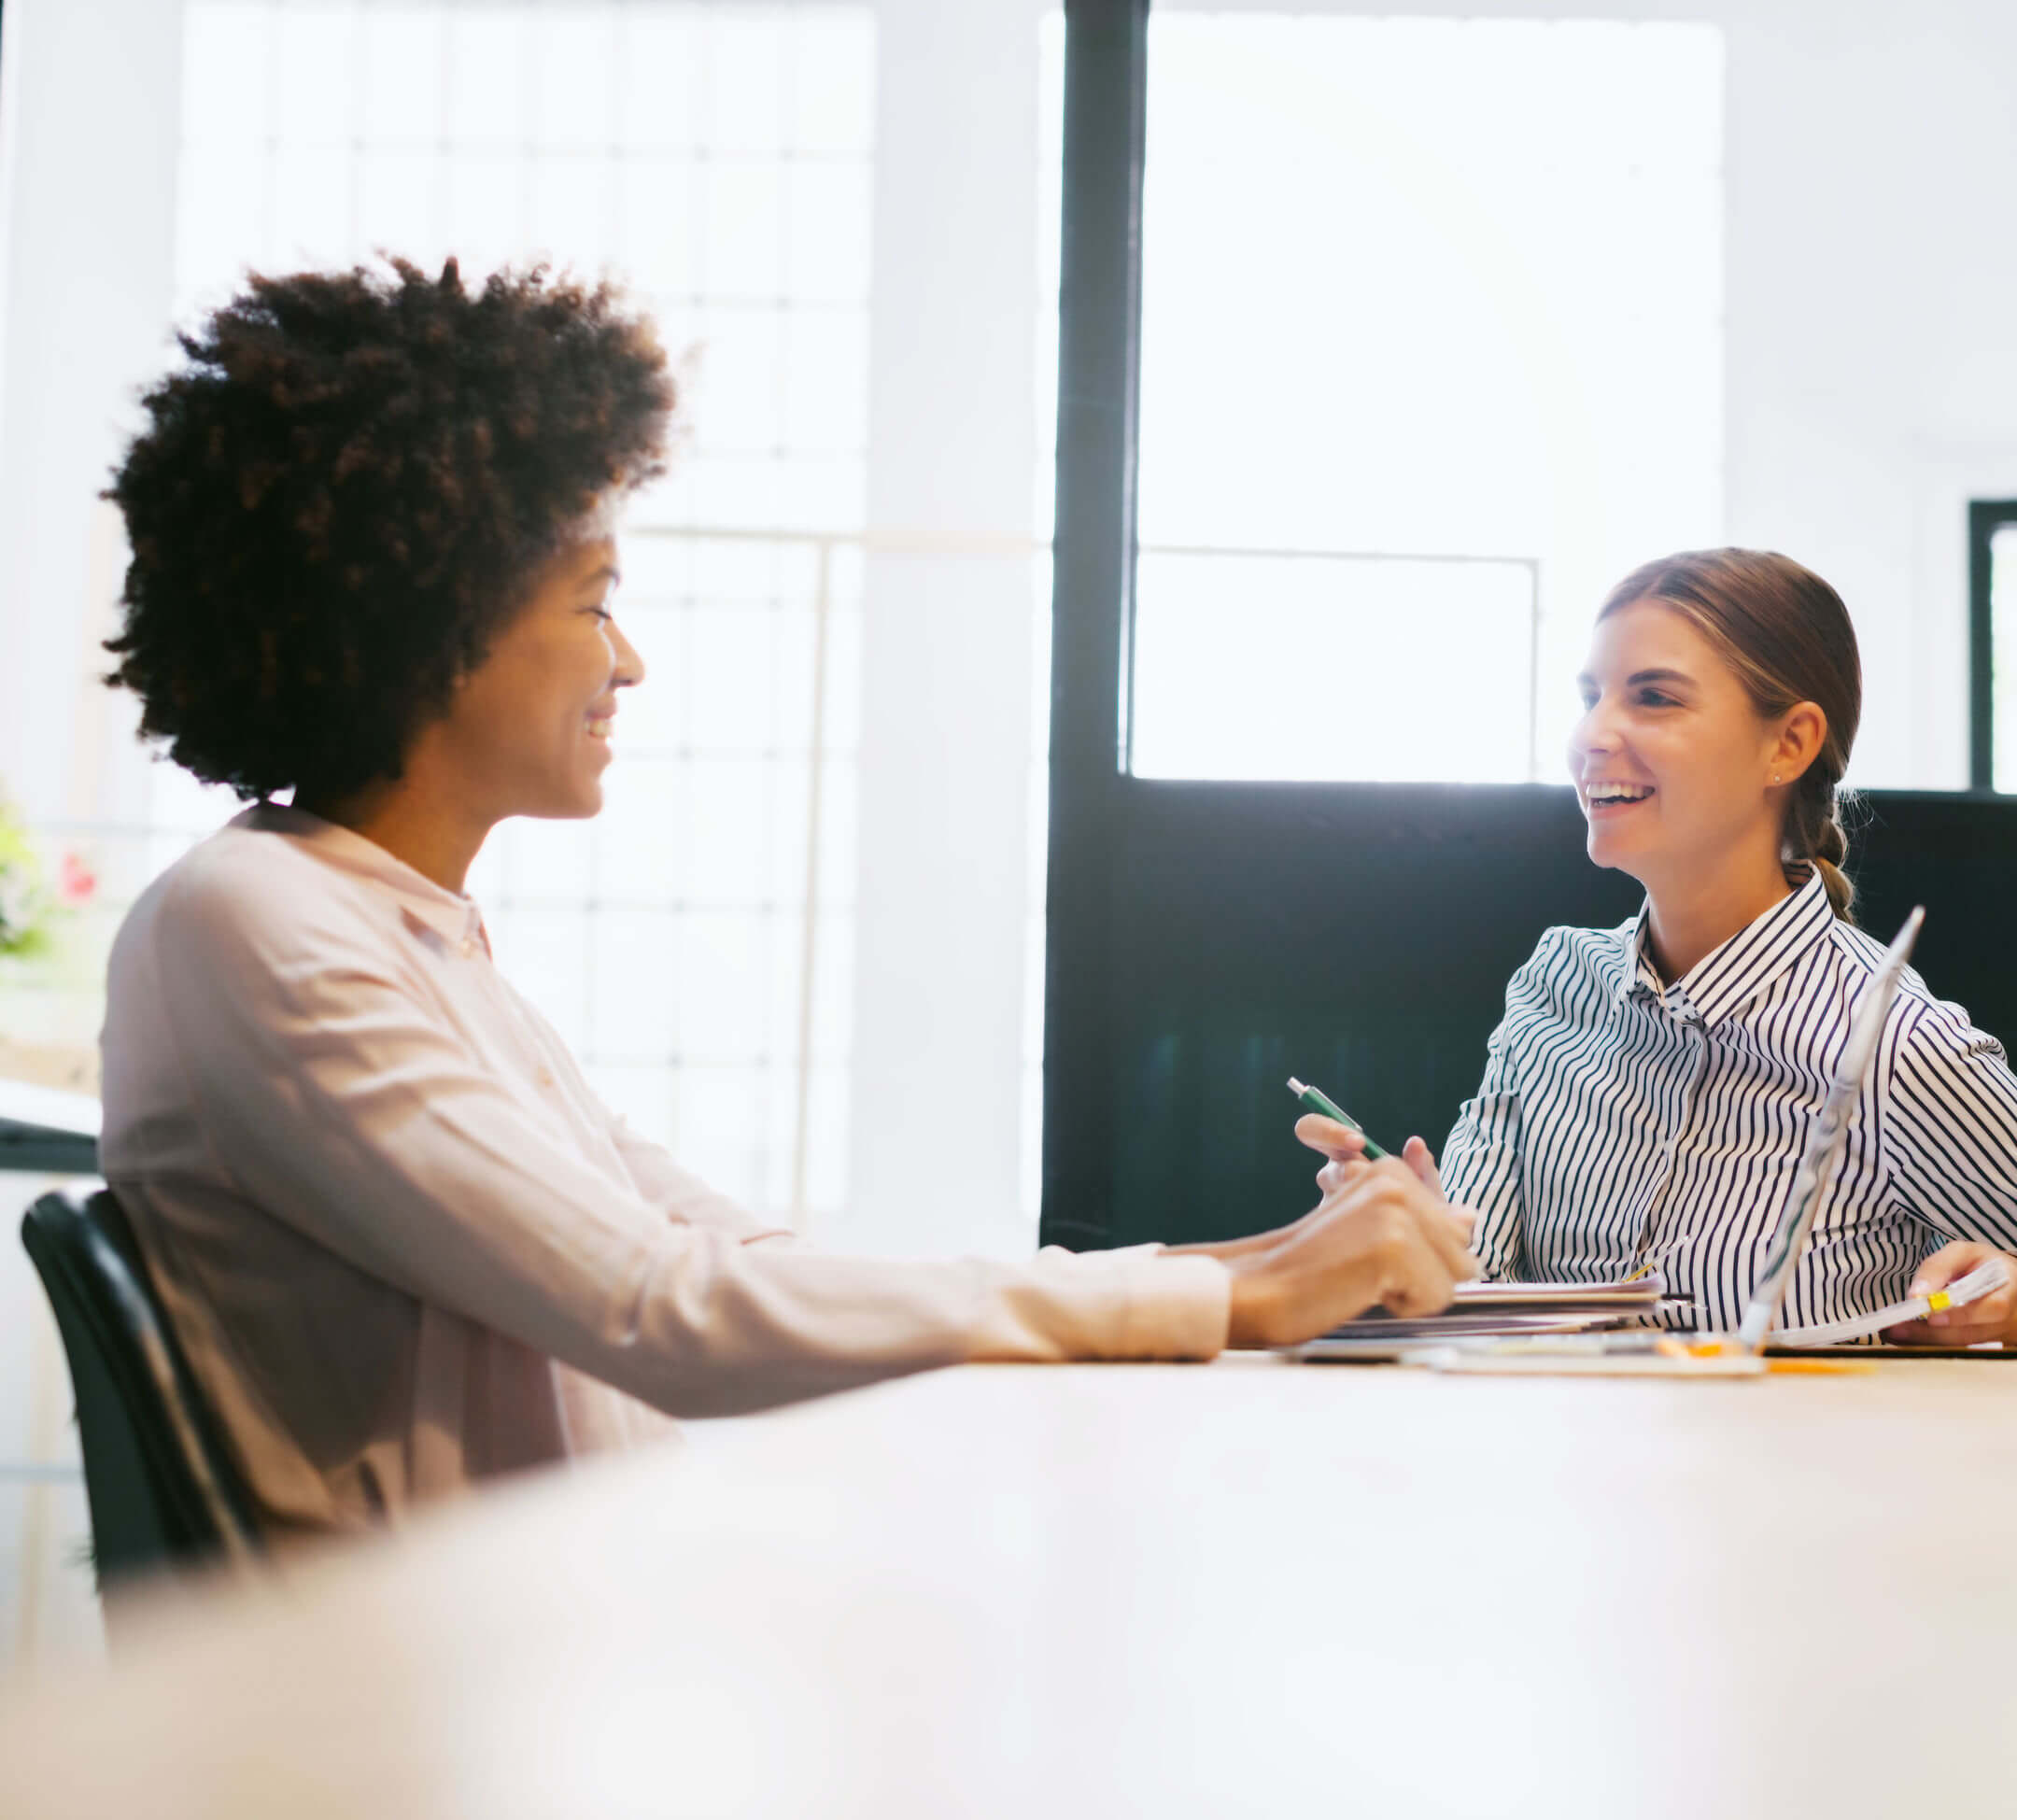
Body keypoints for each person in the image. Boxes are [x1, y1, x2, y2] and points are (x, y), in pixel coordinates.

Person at [96, 260, 1473, 1541]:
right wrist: (1231, 1296)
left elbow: (732, 1256)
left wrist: (1257, 1261)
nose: (625, 660)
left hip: (557, 1653)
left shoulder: (397, 929)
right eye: (592, 601)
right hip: (434, 1714)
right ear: (428, 622)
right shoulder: (257, 923)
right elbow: (663, 1313)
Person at [1302, 549, 2017, 1347]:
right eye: (1590, 697)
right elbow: (1474, 1284)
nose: (1591, 735)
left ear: (1790, 743)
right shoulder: (1554, 985)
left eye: (1652, 696)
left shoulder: (1895, 1041)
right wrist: (1402, 1232)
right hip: (1554, 1491)